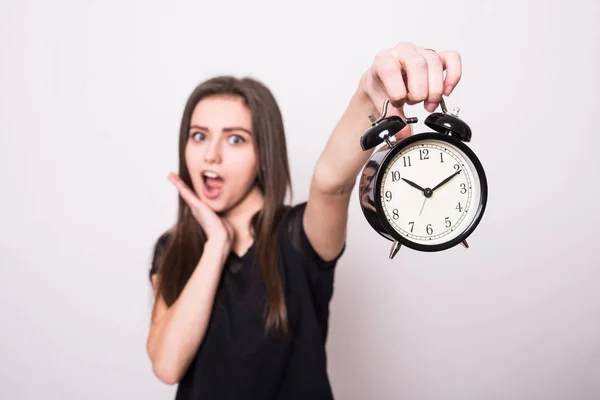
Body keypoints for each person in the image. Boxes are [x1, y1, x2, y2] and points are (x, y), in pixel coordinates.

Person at [146, 42, 462, 399]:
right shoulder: (172, 247)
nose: (211, 155)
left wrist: (368, 91)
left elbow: (330, 182)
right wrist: (215, 244)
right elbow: (167, 365)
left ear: (263, 154)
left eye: (235, 139)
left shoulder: (296, 238)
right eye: (199, 135)